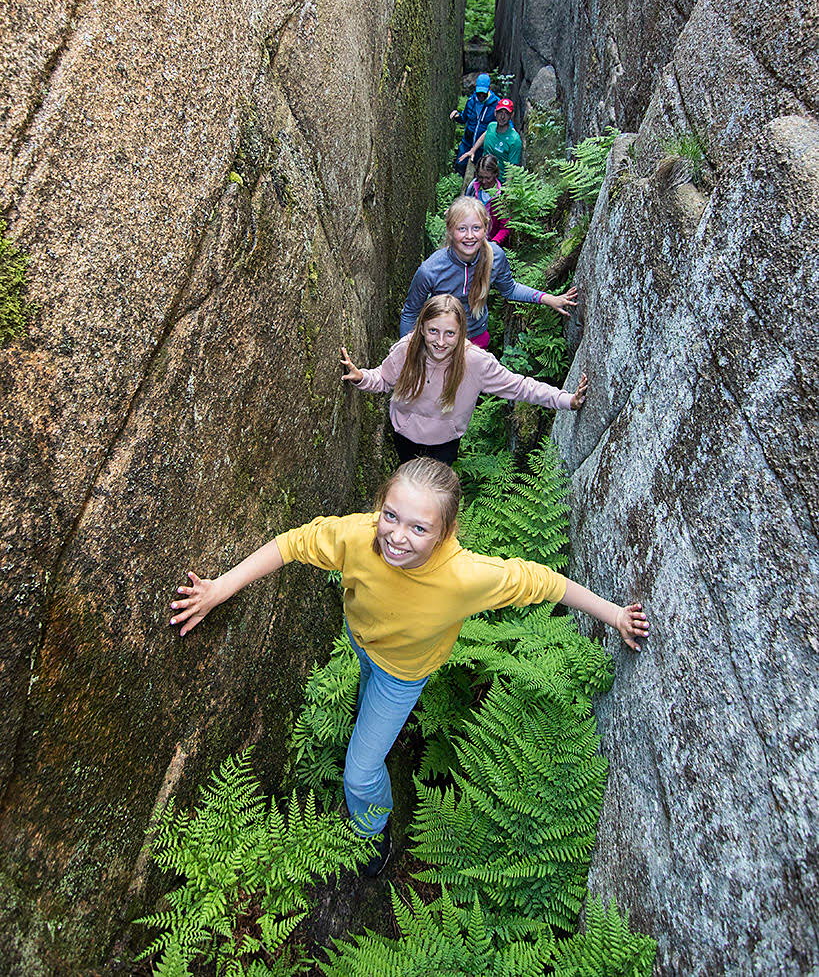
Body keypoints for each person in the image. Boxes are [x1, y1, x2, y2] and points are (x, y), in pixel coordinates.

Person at [169, 457, 650, 877]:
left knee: (359, 773)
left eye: (419, 528)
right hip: (361, 642)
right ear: (380, 505)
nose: (397, 537)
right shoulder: (359, 537)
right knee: (366, 698)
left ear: (445, 534)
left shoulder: (466, 577)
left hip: (404, 673)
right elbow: (293, 544)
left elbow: (545, 582)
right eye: (391, 516)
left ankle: (372, 829)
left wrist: (615, 616)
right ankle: (373, 730)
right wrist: (220, 588)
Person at [342, 294, 587, 466]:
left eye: (450, 333)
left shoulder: (476, 362)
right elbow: (383, 379)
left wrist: (566, 400)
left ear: (461, 334)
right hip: (405, 435)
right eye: (433, 331)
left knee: (433, 497)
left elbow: (521, 387)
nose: (440, 341)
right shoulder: (407, 349)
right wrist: (361, 376)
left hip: (445, 442)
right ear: (422, 328)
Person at [399, 195, 577, 348]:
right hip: (441, 343)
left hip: (476, 338)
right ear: (450, 231)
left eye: (476, 228)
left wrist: (548, 299)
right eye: (462, 229)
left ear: (486, 229)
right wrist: (407, 352)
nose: (470, 236)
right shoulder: (430, 270)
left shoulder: (496, 256)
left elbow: (509, 289)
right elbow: (410, 312)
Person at [460, 98, 522, 181]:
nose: (502, 117)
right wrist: (473, 150)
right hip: (482, 177)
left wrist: (506, 190)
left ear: (512, 115)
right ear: (495, 113)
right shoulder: (491, 126)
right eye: (500, 112)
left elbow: (512, 168)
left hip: (499, 183)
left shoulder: (514, 140)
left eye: (506, 113)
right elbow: (485, 134)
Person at [450, 73, 499, 177]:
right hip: (468, 141)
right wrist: (457, 116)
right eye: (479, 93)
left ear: (489, 89)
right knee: (460, 164)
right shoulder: (471, 101)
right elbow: (464, 118)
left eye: (483, 93)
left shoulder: (496, 104)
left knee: (480, 171)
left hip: (483, 145)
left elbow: (503, 123)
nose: (481, 96)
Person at [465, 154, 511, 246]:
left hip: (492, 242)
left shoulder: (502, 195)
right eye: (481, 177)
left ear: (495, 174)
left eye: (487, 178)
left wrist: (494, 243)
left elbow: (506, 227)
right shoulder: (472, 189)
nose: (484, 181)